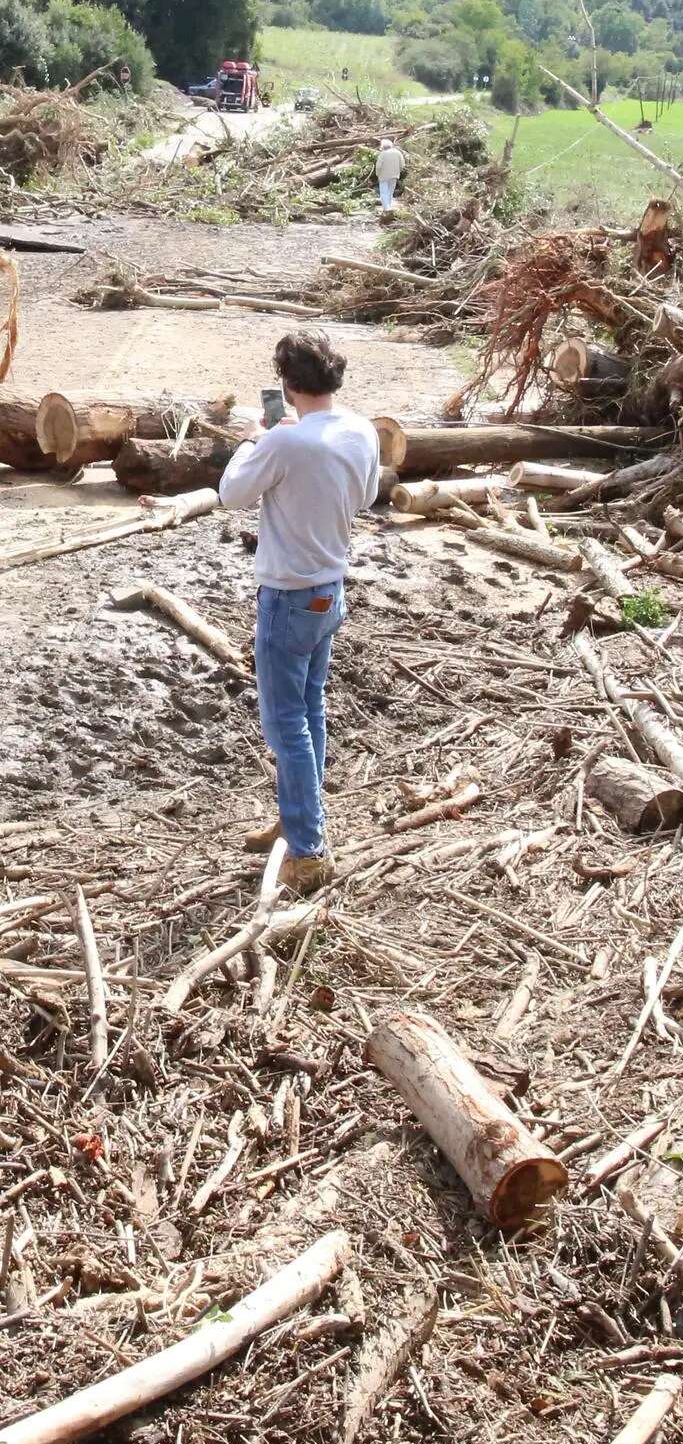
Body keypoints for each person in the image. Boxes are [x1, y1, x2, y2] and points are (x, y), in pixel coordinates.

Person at [219, 331, 380, 893]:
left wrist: (251, 440)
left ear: (287, 386)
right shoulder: (361, 430)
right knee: (309, 710)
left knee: (285, 721)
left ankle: (308, 847)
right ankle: (298, 819)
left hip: (287, 595)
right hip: (330, 590)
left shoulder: (285, 443)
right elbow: (365, 496)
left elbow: (231, 493)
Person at [375, 137, 407, 215]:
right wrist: (398, 171)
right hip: (394, 175)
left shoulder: (382, 154)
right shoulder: (397, 153)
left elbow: (378, 166)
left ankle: (386, 207)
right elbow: (402, 164)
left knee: (383, 192)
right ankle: (388, 206)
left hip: (383, 176)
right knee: (390, 192)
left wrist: (377, 174)